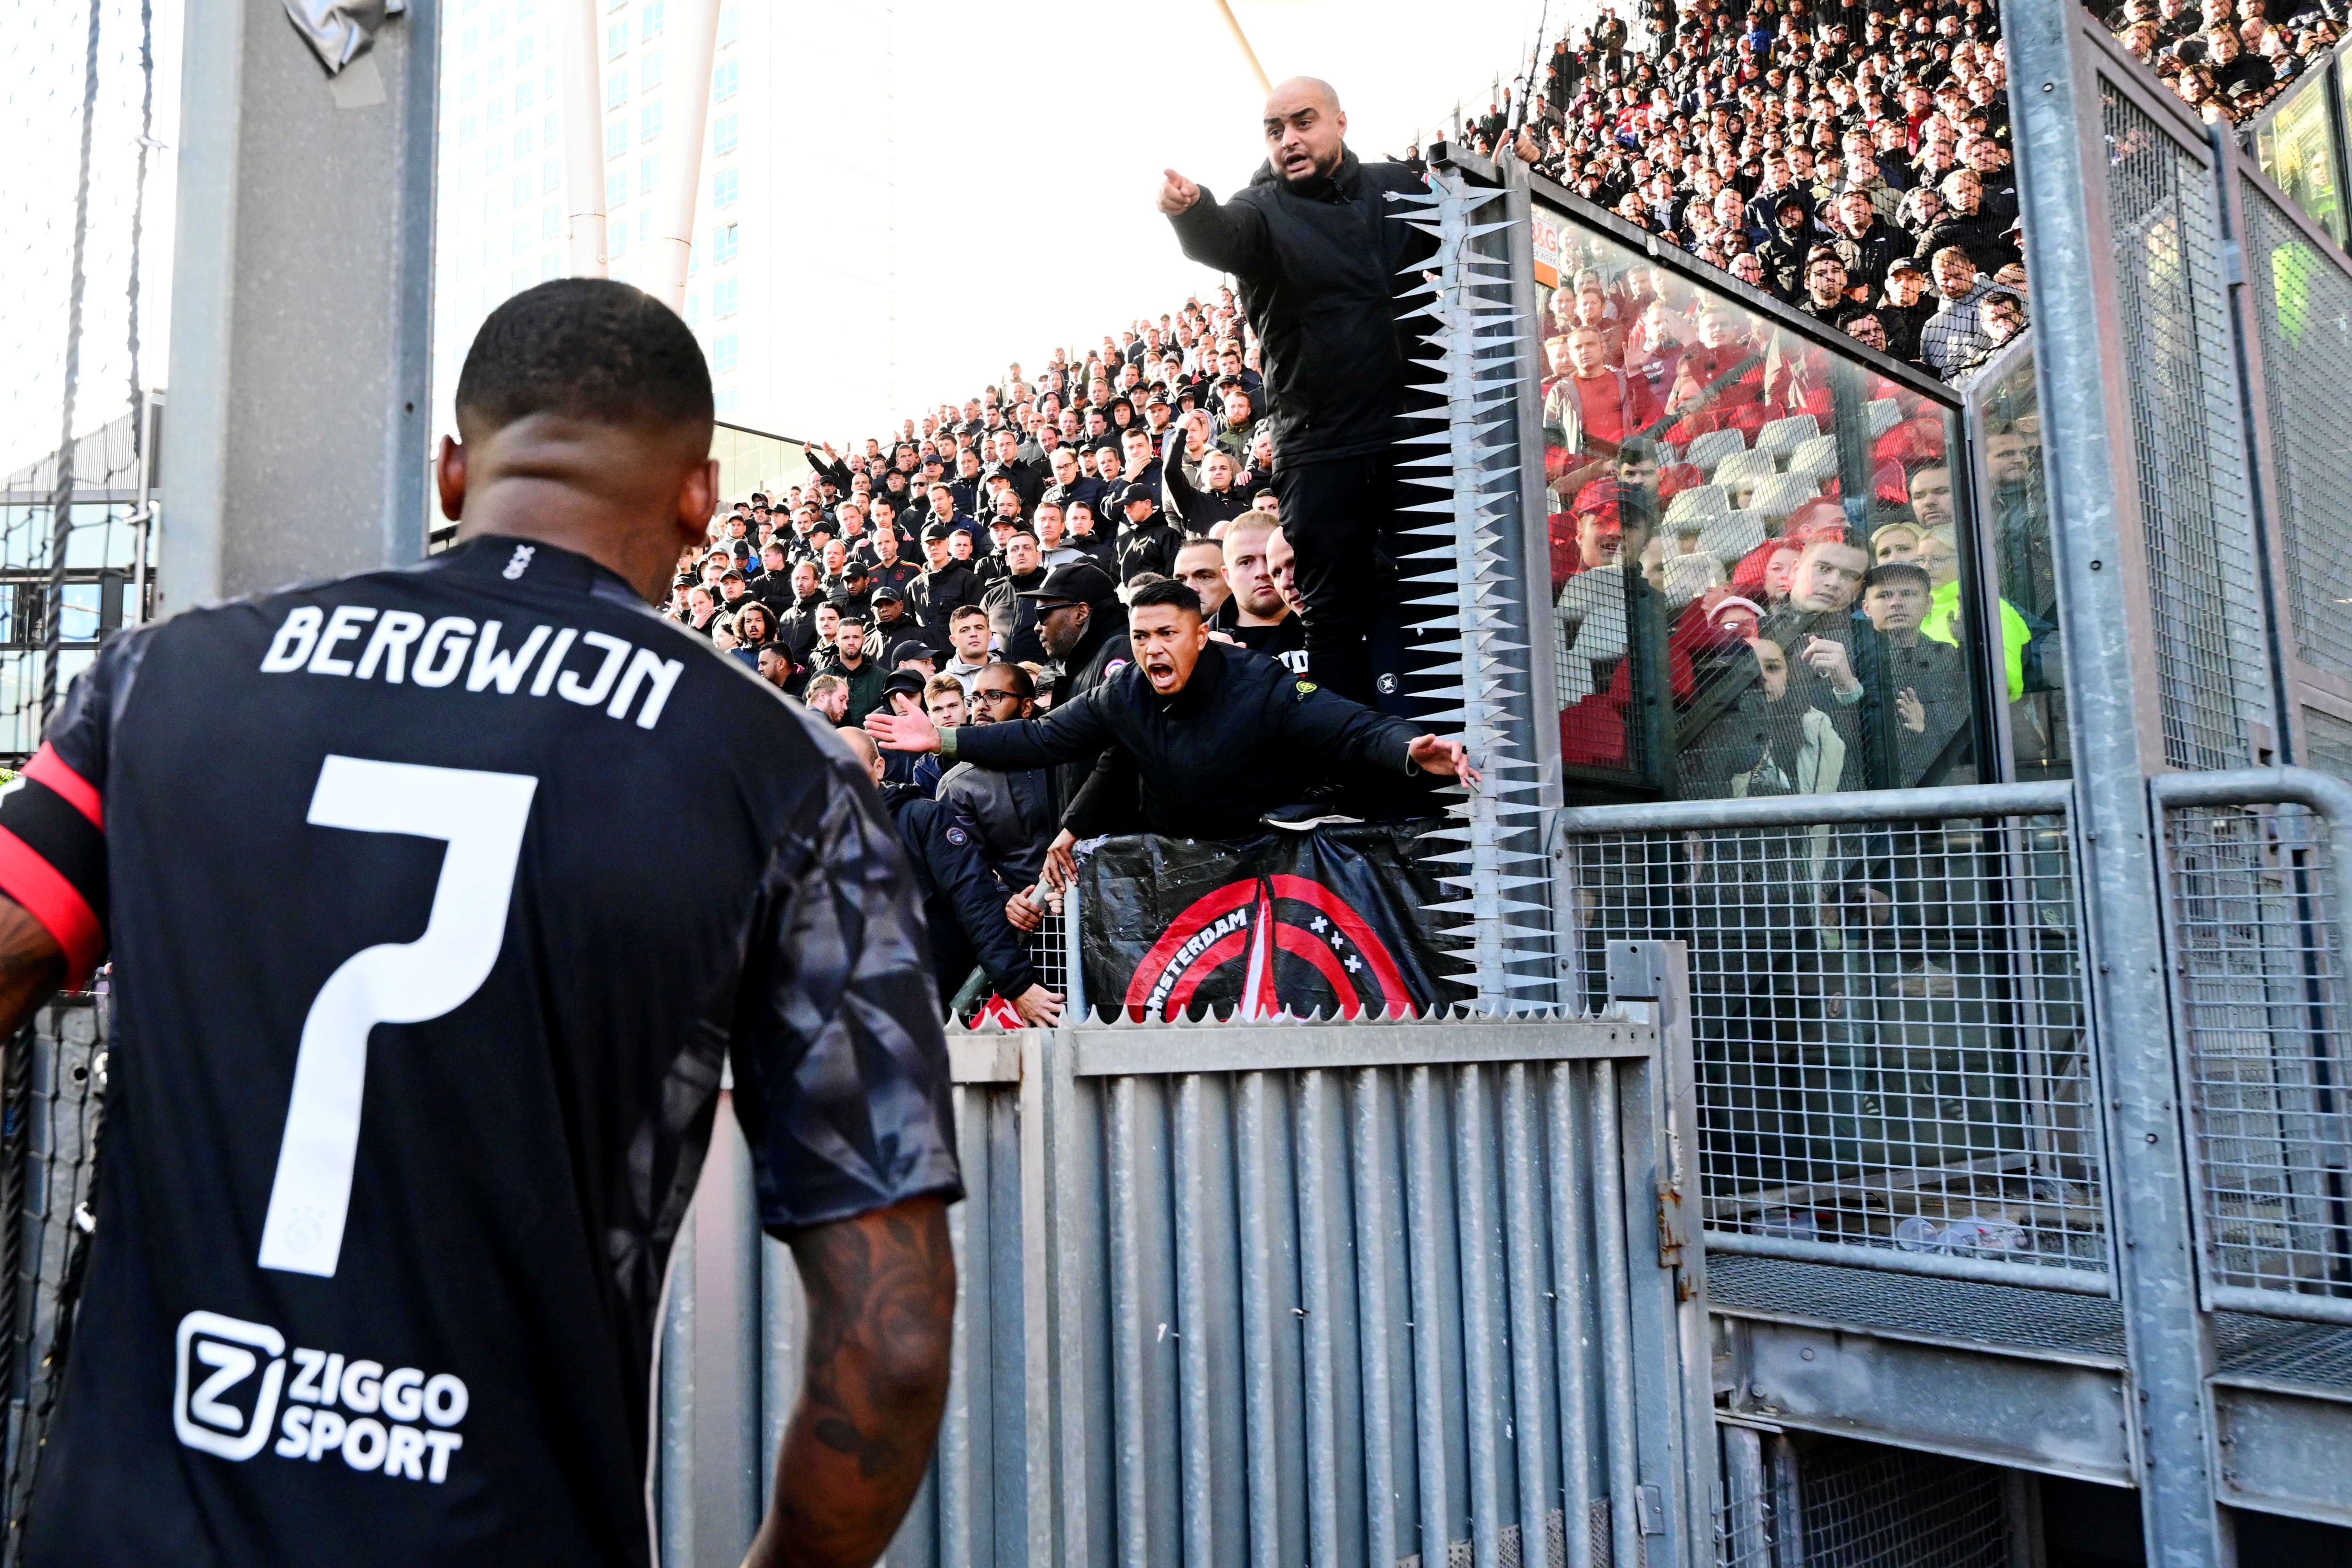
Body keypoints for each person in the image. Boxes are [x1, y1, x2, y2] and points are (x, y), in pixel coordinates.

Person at [0, 279, 958, 1567]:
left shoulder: (166, 682)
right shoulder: (779, 774)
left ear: (454, 470)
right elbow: (892, 1345)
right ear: (699, 497)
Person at [1160, 77, 1438, 704]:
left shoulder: (1399, 185)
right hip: (1320, 444)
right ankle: (1346, 768)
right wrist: (1191, 210)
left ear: (1342, 121)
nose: (1289, 140)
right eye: (1274, 129)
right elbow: (1221, 235)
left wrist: (1507, 171)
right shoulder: (1261, 208)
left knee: (1434, 590)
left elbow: (1466, 221)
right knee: (1330, 614)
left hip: (1415, 429)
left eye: (1303, 122)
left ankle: (1452, 742)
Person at [865, 579, 1479, 853]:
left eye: (1167, 634)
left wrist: (1407, 749)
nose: (1153, 649)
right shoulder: (1122, 693)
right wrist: (943, 738)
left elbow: (1349, 726)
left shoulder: (1257, 683)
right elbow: (1041, 738)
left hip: (1264, 847)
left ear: (1201, 635)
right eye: (1140, 636)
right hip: (1172, 857)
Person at [837, 728, 1062, 1027]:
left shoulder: (921, 820)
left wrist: (1017, 984)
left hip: (940, 1012)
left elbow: (973, 899)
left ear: (879, 768)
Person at [937, 663, 1058, 897]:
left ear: (1026, 707)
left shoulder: (1064, 756)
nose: (980, 707)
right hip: (1027, 914)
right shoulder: (959, 784)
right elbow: (965, 868)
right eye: (974, 698)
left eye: (994, 696)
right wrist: (1007, 901)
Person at [1210, 515, 1307, 670]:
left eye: (1269, 559)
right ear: (1227, 576)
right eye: (1246, 562)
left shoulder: (1330, 626)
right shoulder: (1203, 645)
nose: (1262, 572)